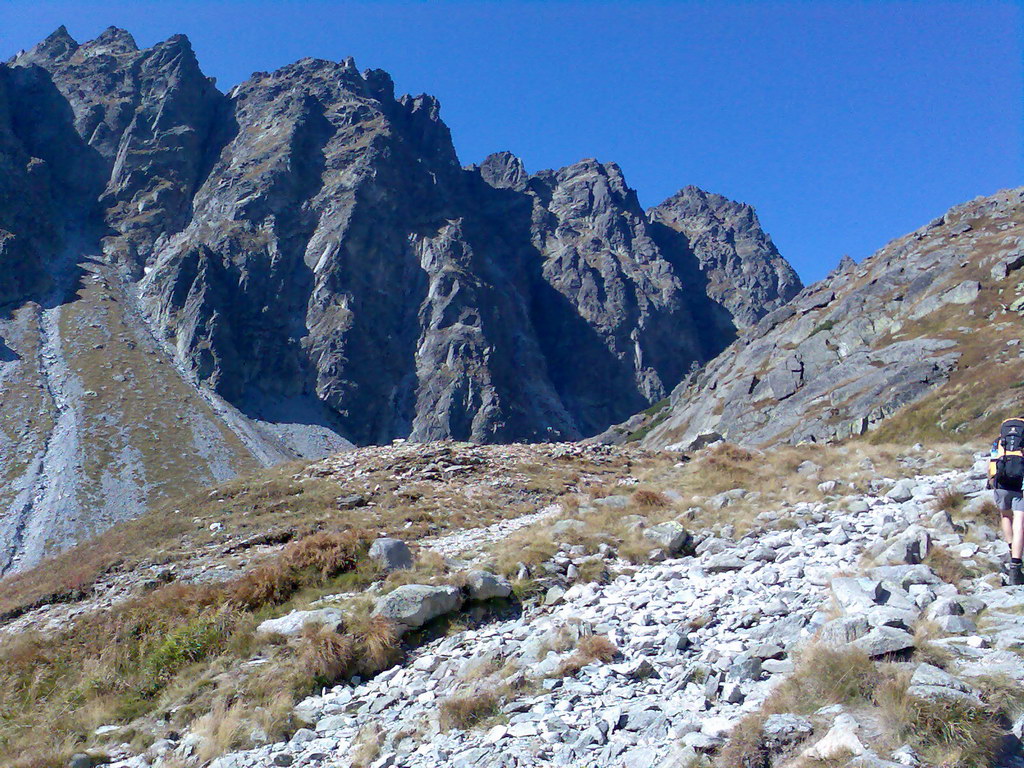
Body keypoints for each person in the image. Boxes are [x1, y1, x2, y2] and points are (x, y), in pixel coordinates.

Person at [989, 418, 1024, 586]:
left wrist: (992, 481)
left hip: (1001, 483)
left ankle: (1012, 550)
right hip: (1021, 484)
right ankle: (1016, 567)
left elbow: (992, 462)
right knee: (1019, 520)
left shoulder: (999, 441)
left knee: (1005, 517)